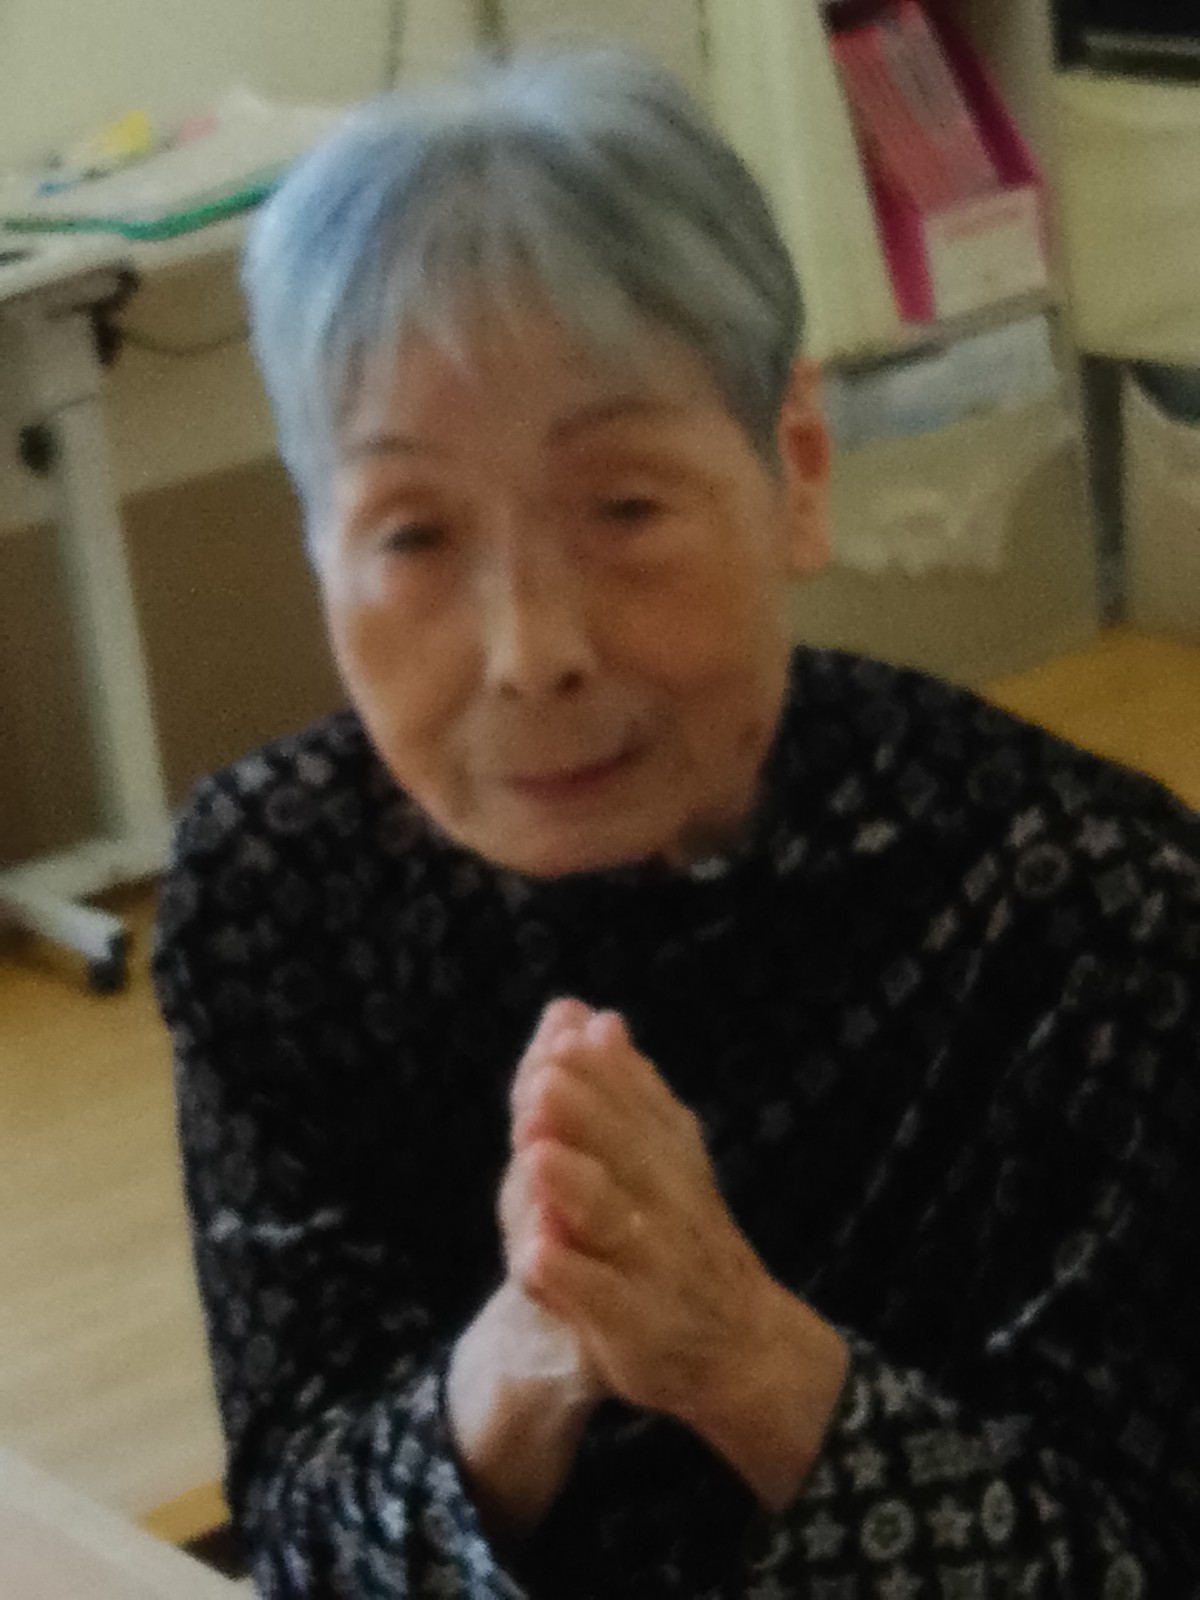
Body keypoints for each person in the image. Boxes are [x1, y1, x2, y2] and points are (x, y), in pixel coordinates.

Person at [152, 47, 1200, 1600]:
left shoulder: (1090, 910)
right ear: (317, 552)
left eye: (624, 508)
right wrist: (526, 1354)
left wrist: (738, 1353)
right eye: (415, 534)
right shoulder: (277, 888)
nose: (531, 652)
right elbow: (303, 1544)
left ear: (796, 466)